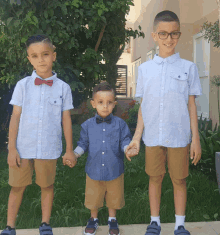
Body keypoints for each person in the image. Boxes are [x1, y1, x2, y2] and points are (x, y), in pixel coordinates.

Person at [125, 10, 202, 235]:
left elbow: (191, 106)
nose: (169, 39)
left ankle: (179, 225)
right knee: (155, 178)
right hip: (153, 137)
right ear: (154, 36)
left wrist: (195, 139)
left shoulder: (188, 68)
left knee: (179, 179)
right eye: (164, 34)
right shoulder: (145, 70)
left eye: (174, 33)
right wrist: (137, 138)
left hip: (179, 136)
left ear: (179, 34)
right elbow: (144, 108)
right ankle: (154, 222)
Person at [1, 34, 76, 235]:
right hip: (23, 148)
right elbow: (15, 117)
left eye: (45, 54)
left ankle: (45, 224)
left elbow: (66, 119)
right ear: (29, 59)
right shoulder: (22, 86)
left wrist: (69, 150)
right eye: (34, 56)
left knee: (47, 185)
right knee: (17, 186)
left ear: (54, 56)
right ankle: (9, 226)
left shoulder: (63, 88)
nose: (40, 59)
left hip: (49, 148)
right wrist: (11, 148)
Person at [66, 81, 137, 235]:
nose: (105, 106)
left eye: (109, 102)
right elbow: (83, 144)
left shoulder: (121, 124)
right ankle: (93, 219)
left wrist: (127, 149)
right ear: (93, 104)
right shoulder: (87, 126)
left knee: (114, 196)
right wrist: (75, 154)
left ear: (114, 104)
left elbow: (125, 141)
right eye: (100, 102)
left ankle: (112, 220)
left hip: (114, 168)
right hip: (94, 169)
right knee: (94, 197)